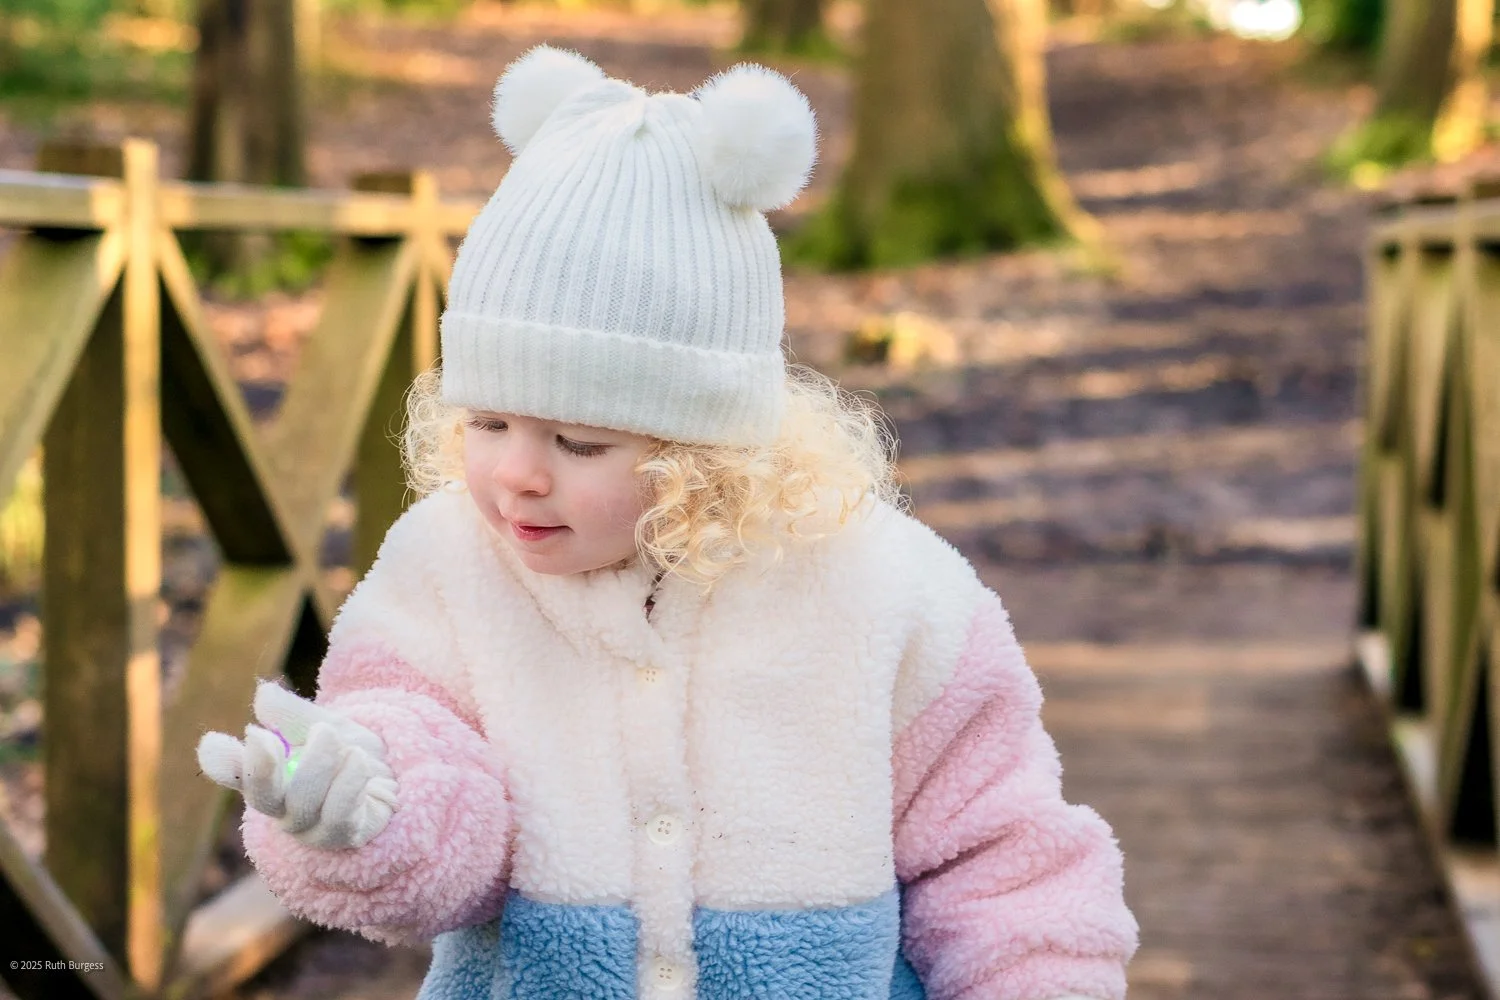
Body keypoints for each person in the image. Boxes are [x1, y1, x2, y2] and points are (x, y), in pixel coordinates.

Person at [197, 44, 1139, 1000]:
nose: (516, 475)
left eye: (578, 442)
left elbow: (1003, 852)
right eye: (487, 422)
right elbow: (434, 783)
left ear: (706, 450)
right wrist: (369, 805)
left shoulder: (884, 591)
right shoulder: (446, 565)